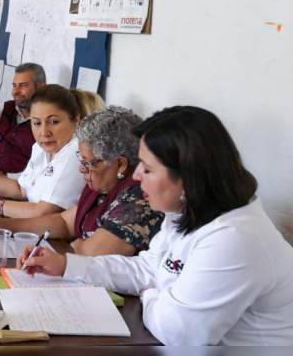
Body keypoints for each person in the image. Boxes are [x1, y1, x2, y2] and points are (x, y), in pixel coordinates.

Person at [20, 106, 293, 345]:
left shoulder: (236, 238)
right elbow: (146, 268)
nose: (136, 176)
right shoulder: (185, 214)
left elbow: (179, 334)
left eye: (148, 169)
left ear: (187, 177)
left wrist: (151, 294)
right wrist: (65, 265)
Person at [0, 106, 163, 257]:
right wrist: (3, 225)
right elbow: (64, 223)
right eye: (80, 160)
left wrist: (79, 246)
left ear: (120, 164)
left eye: (88, 164)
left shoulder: (140, 197)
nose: (82, 169)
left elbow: (91, 253)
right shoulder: (101, 184)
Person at [0, 84, 86, 220]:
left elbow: (45, 212)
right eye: (37, 123)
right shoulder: (40, 148)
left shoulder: (76, 153)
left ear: (76, 121)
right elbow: (21, 189)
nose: (44, 132)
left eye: (54, 122)